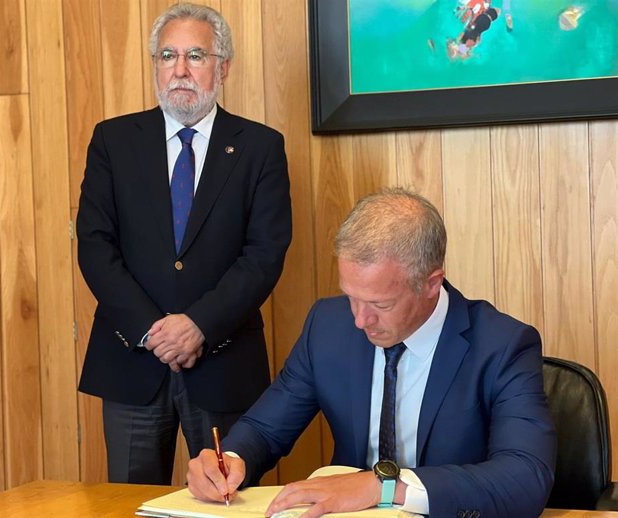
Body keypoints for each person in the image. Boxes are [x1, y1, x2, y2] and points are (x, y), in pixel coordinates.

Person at [187, 188, 556, 517]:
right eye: (351, 297)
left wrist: (385, 488)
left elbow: (525, 478)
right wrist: (229, 461)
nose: (360, 320)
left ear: (431, 283)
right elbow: (265, 429)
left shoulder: (502, 345)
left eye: (380, 303)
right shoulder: (327, 326)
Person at [76, 2, 292, 485]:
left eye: (195, 55)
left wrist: (198, 325)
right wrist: (154, 330)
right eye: (167, 55)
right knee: (129, 504)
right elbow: (94, 245)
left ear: (223, 67)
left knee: (227, 501)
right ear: (155, 64)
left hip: (223, 362)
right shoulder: (113, 141)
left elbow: (264, 255)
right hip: (132, 360)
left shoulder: (260, 147)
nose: (179, 70)